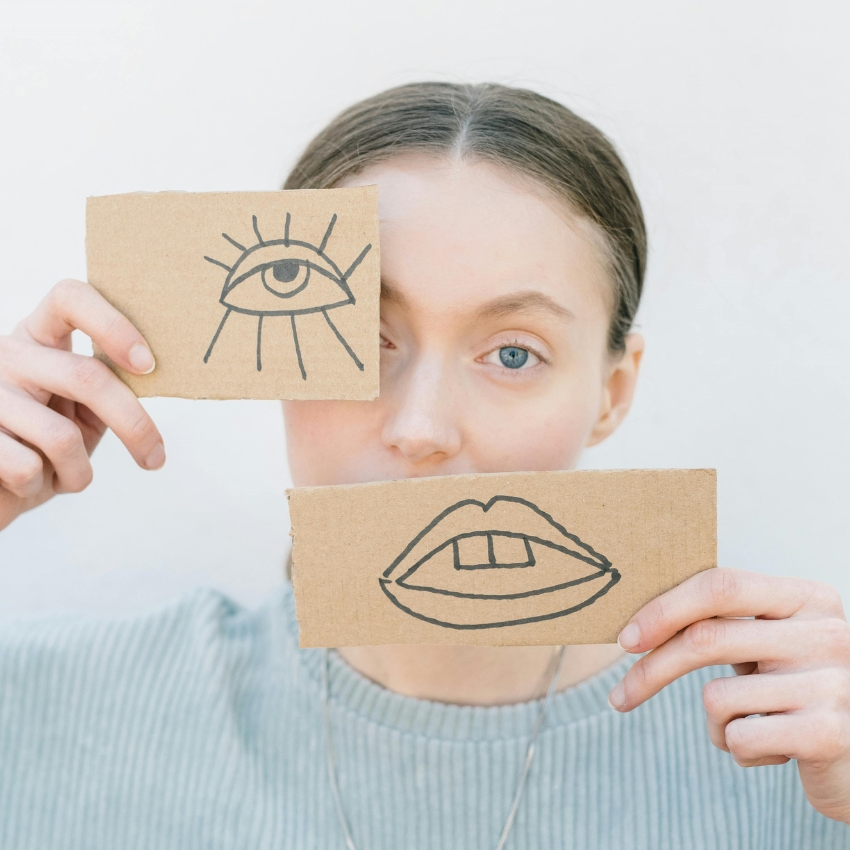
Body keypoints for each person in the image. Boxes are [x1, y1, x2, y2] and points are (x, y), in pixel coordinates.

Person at [0, 82, 848, 850]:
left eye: (513, 354)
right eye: (361, 340)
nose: (421, 429)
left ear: (611, 394)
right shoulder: (50, 710)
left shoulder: (800, 763)